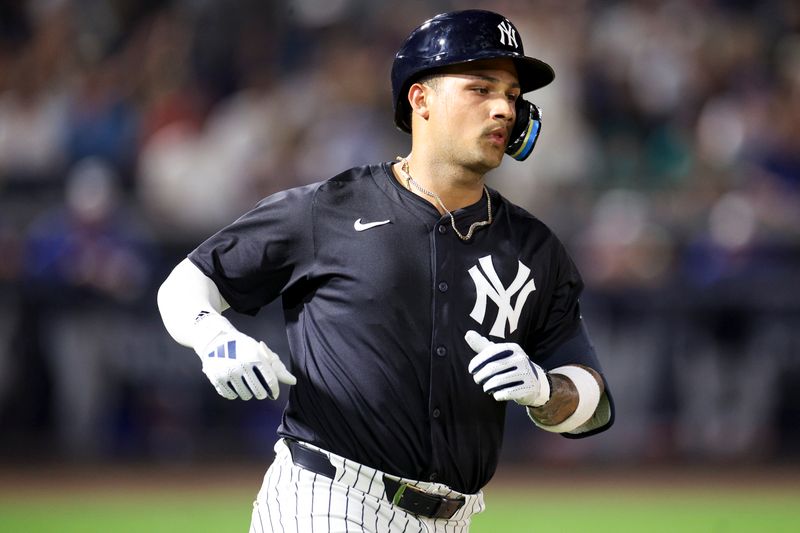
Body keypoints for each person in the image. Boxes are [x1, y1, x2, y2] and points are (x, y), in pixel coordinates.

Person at [158, 9, 614, 533]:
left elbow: (594, 402)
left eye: (511, 95)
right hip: (328, 499)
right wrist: (214, 337)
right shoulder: (329, 208)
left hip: (454, 518)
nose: (503, 109)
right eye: (480, 88)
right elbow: (186, 284)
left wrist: (544, 390)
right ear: (420, 99)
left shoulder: (535, 247)